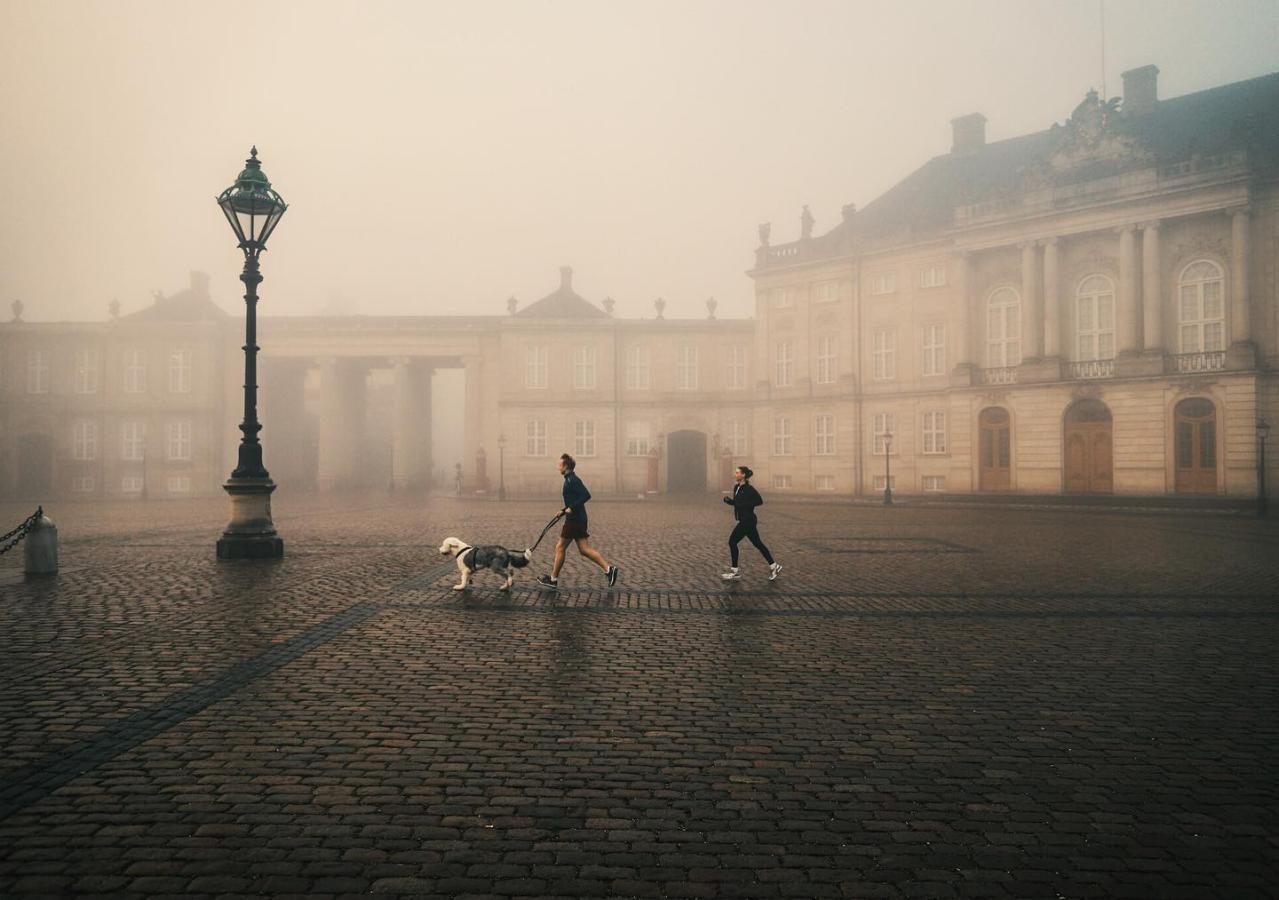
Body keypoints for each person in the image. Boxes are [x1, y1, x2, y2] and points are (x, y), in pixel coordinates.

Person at [539, 453, 620, 590]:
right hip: (578, 518)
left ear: (566, 466)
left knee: (560, 547)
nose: (558, 467)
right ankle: (609, 569)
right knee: (584, 549)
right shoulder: (569, 479)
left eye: (559, 465)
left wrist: (571, 508)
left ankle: (553, 579)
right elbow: (574, 500)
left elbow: (586, 495)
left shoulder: (572, 480)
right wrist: (563, 510)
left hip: (574, 520)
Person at [721, 465, 781, 581]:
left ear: (743, 475)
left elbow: (759, 501)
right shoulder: (737, 487)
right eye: (736, 472)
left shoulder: (749, 489)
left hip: (747, 520)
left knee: (732, 542)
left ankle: (734, 572)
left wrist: (744, 505)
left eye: (737, 473)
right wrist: (729, 501)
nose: (735, 474)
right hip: (745, 520)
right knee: (758, 543)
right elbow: (738, 503)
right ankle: (774, 566)